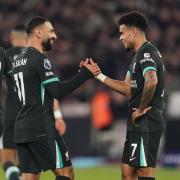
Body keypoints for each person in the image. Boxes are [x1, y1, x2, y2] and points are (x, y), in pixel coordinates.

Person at [12, 16, 100, 180]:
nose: (55, 36)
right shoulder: (39, 59)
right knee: (66, 173)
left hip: (22, 129)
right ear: (38, 33)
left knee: (29, 177)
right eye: (51, 31)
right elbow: (57, 92)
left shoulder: (17, 61)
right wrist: (85, 74)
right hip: (41, 128)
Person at [91, 11, 165, 180]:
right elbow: (126, 88)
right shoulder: (136, 56)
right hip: (138, 121)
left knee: (143, 172)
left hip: (147, 119)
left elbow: (151, 80)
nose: (120, 38)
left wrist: (141, 108)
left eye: (122, 33)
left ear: (133, 32)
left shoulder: (147, 53)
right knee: (127, 172)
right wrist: (99, 76)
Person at [1, 24, 27, 180]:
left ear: (12, 38)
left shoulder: (4, 55)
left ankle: (14, 177)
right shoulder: (36, 55)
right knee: (26, 158)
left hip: (10, 111)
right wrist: (57, 115)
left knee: (6, 158)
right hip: (31, 113)